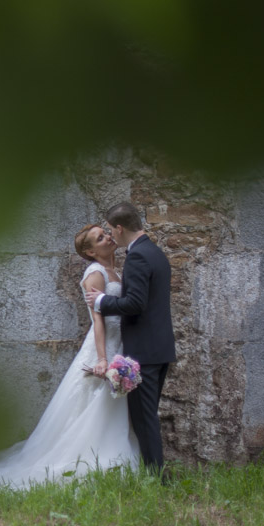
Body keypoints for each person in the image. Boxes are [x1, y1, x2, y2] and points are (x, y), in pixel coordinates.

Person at [0, 224, 140, 491]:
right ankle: (90, 457)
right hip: (103, 345)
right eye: (99, 238)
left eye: (106, 233)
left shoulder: (114, 270)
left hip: (119, 341)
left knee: (108, 404)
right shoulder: (96, 273)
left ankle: (111, 454)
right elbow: (97, 321)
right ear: (90, 251)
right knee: (95, 400)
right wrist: (103, 358)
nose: (107, 238)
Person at [85, 202, 176, 477]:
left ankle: (157, 478)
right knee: (147, 416)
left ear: (120, 227)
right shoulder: (155, 251)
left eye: (111, 231)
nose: (111, 236)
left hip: (144, 353)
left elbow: (136, 303)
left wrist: (101, 300)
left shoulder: (137, 256)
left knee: (144, 419)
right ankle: (153, 474)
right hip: (160, 349)